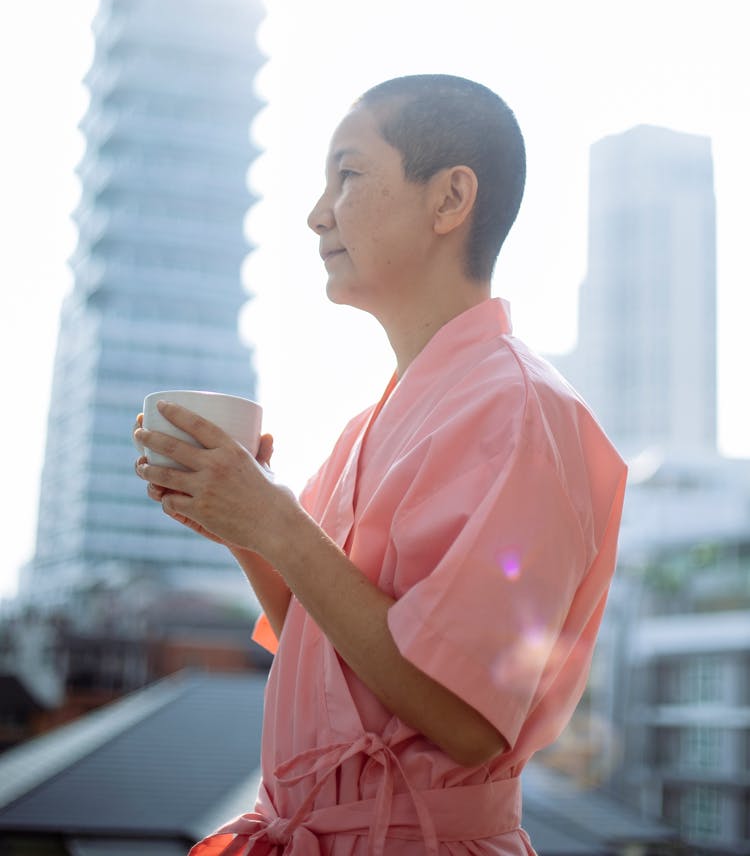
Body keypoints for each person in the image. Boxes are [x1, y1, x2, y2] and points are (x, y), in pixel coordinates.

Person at [134, 74, 627, 856]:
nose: (316, 212)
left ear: (449, 198)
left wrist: (278, 523)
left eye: (349, 174)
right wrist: (238, 518)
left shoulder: (524, 412)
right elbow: (327, 643)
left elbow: (465, 720)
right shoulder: (373, 422)